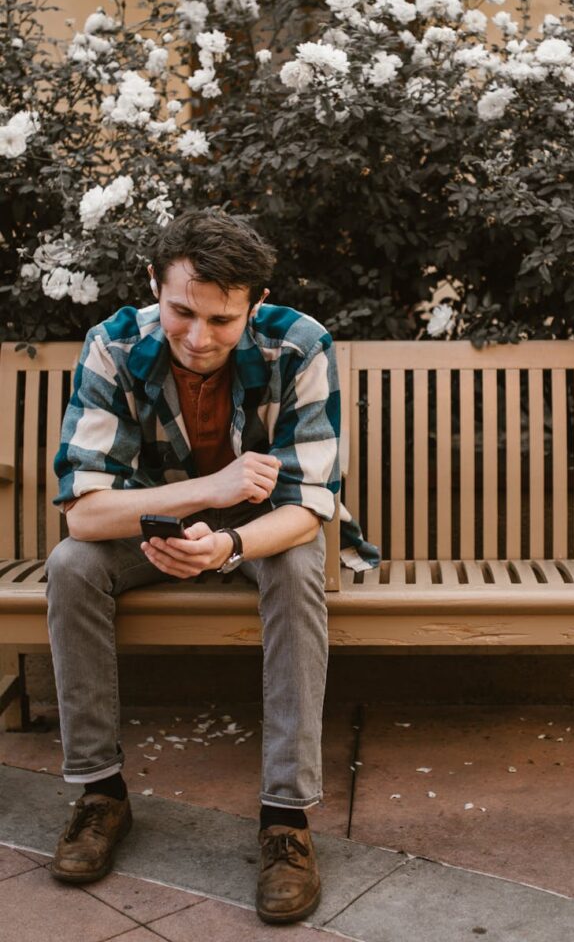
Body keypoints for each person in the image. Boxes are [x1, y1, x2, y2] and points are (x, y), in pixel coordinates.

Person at [45, 209, 375, 925]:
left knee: (295, 567)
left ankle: (285, 820)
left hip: (261, 528)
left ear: (254, 304)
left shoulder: (301, 344)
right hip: (155, 521)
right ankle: (101, 795)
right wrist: (209, 492)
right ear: (152, 287)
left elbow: (308, 506)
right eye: (181, 312)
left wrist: (226, 544)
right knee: (71, 564)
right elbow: (84, 514)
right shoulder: (113, 344)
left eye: (222, 320)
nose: (198, 338)